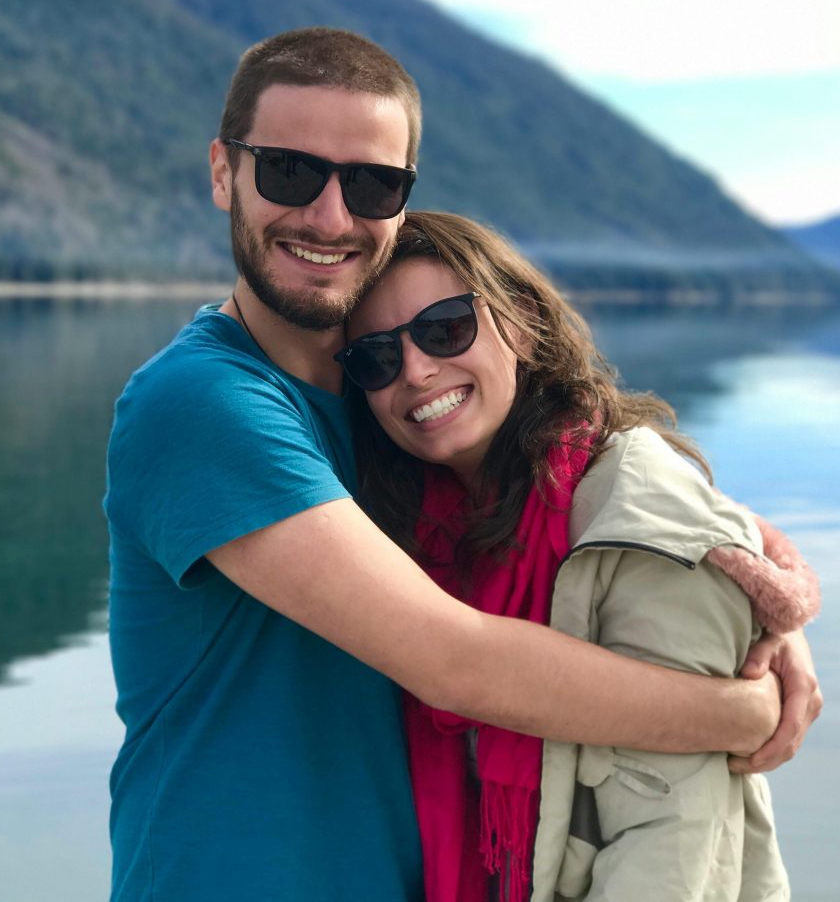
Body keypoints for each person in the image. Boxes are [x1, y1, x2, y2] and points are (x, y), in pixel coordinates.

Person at [103, 27, 821, 902]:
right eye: (289, 171)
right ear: (223, 172)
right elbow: (456, 662)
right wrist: (737, 710)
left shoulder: (378, 408)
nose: (330, 215)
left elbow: (613, 511)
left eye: (371, 182)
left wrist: (758, 617)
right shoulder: (204, 405)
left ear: (402, 202)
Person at [340, 210, 821, 901]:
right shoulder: (420, 532)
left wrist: (754, 697)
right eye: (376, 357)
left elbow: (671, 844)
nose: (414, 370)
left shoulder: (643, 522)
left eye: (445, 328)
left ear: (523, 322)